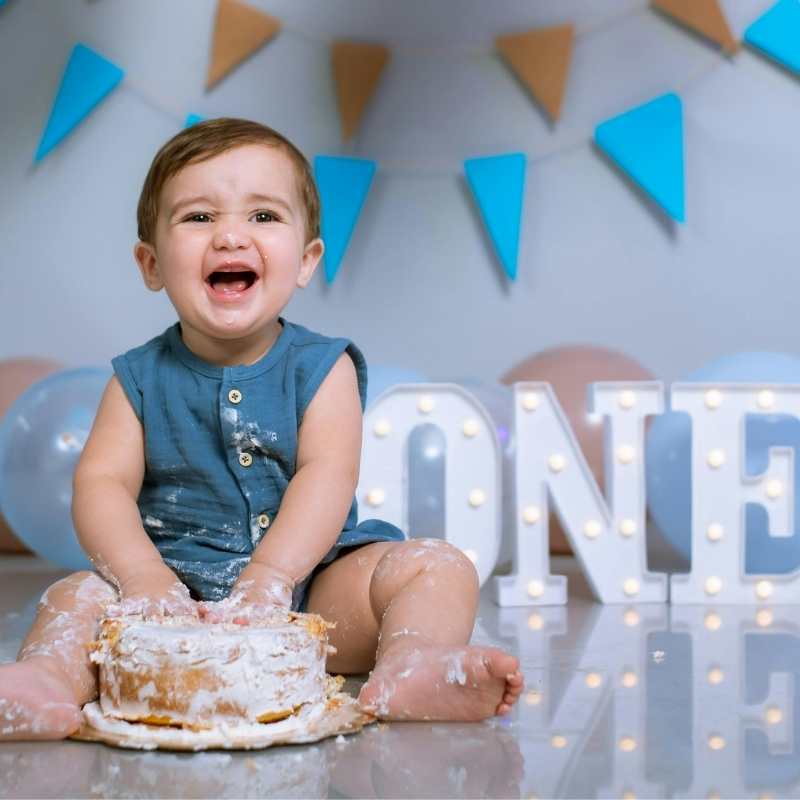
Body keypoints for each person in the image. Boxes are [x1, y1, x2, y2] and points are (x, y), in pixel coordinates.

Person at [0, 118, 524, 740]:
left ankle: (413, 662)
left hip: (312, 597)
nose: (229, 236)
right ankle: (44, 680)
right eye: (197, 218)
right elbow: (101, 484)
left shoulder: (320, 368)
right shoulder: (136, 378)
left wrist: (272, 580)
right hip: (168, 601)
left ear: (305, 261)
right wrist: (143, 579)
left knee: (438, 564)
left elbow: (327, 472)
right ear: (150, 263)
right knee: (74, 596)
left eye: (263, 217)